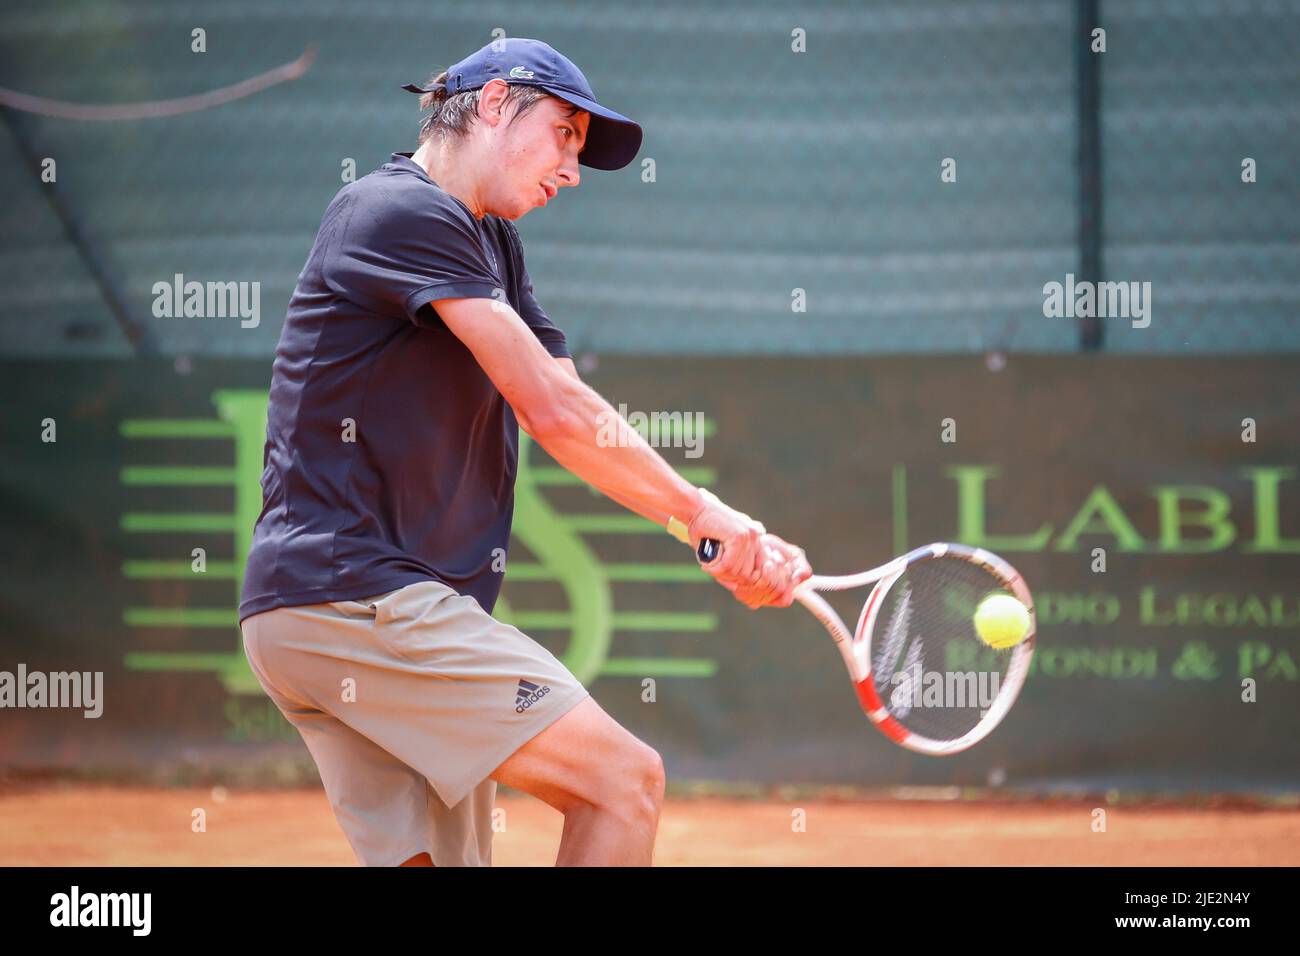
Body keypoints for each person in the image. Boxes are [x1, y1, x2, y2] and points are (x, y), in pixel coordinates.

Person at [238, 37, 810, 867]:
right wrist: (703, 516)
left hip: (323, 610)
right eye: (566, 135)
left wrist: (717, 535)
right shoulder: (397, 210)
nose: (572, 169)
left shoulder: (490, 243)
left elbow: (578, 416)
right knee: (623, 783)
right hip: (358, 594)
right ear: (498, 103)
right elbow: (553, 410)